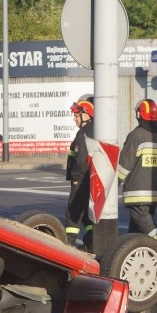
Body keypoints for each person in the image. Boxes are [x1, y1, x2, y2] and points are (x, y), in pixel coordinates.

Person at [116, 98, 157, 259]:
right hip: (153, 193)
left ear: (139, 115)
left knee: (144, 222)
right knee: (135, 232)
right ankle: (132, 257)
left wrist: (112, 185)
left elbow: (124, 165)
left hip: (136, 192)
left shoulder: (136, 135)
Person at [64, 98, 95, 250]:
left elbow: (80, 160)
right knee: (88, 217)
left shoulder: (84, 134)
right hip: (89, 180)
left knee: (73, 213)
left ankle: (67, 245)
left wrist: (75, 178)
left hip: (81, 179)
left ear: (87, 115)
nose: (74, 118)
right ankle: (90, 244)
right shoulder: (92, 131)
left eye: (77, 115)